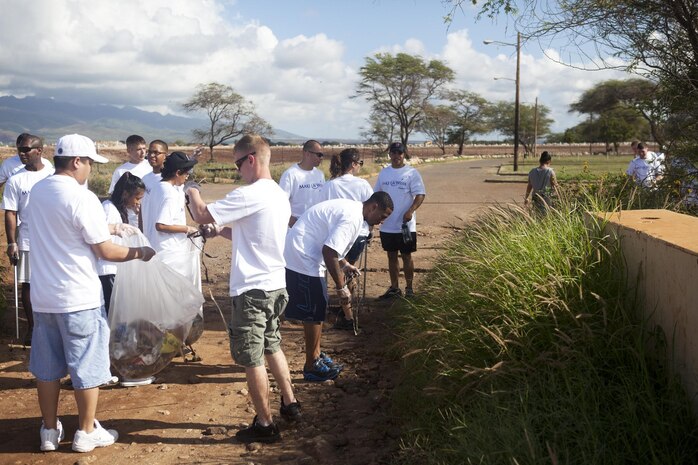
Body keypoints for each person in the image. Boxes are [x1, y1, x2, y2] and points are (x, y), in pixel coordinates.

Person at [26, 133, 154, 453]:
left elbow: (63, 230)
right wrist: (139, 253)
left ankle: (49, 430)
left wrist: (111, 227)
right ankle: (85, 431)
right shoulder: (81, 197)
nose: (91, 172)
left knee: (48, 367)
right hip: (78, 295)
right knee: (86, 364)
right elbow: (105, 252)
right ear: (76, 162)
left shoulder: (38, 190)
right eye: (89, 164)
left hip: (43, 296)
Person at [185, 134, 301, 444]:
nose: (237, 171)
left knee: (252, 358)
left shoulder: (251, 193)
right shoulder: (277, 194)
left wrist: (191, 188)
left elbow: (201, 213)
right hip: (276, 285)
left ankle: (265, 424)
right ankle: (290, 403)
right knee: (271, 344)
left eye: (238, 164)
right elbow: (247, 235)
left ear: (251, 159)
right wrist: (219, 228)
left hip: (253, 290)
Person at [284, 192, 393, 382]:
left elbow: (331, 244)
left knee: (317, 308)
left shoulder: (354, 212)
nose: (381, 222)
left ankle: (316, 356)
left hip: (306, 254)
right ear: (373, 207)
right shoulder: (352, 218)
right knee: (314, 311)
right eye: (382, 217)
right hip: (301, 257)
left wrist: (344, 264)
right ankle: (311, 366)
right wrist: (341, 287)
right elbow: (329, 251)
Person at [1, 134, 54, 346]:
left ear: (39, 150)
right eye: (19, 150)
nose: (21, 153)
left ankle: (52, 326)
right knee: (29, 285)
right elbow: (10, 213)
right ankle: (33, 327)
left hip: (52, 240)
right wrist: (12, 242)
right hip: (28, 240)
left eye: (26, 149)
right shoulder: (16, 180)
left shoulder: (52, 175)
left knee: (52, 283)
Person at [320, 148, 374, 329]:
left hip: (336, 235)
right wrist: (370, 230)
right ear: (353, 164)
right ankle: (348, 313)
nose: (360, 167)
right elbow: (371, 210)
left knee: (340, 271)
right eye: (360, 163)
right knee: (347, 271)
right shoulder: (363, 185)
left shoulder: (330, 185)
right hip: (358, 233)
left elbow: (322, 210)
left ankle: (347, 313)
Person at [374, 142, 426, 299]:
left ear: (404, 154)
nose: (396, 156)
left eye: (400, 152)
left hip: (405, 226)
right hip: (387, 225)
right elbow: (377, 195)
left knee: (406, 256)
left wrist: (410, 211)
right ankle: (395, 288)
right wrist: (376, 216)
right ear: (389, 154)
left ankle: (409, 289)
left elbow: (420, 194)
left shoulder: (412, 173)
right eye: (393, 152)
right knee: (391, 256)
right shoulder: (384, 173)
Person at [97, 172, 145, 315]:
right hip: (108, 269)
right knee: (113, 312)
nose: (138, 202)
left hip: (115, 268)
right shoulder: (109, 209)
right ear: (125, 194)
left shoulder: (120, 209)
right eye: (137, 198)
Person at [142, 151, 198, 254]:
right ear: (177, 173)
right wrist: (188, 229)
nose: (187, 177)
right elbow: (161, 225)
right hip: (170, 250)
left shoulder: (157, 187)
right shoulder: (170, 194)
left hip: (156, 245)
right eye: (186, 173)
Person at [279, 139, 325, 227]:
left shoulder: (320, 174)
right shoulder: (290, 174)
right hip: (297, 226)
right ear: (307, 153)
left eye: (322, 155)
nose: (321, 158)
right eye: (319, 155)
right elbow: (281, 202)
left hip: (316, 225)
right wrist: (293, 222)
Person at [108, 135, 151, 226]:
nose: (143, 152)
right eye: (138, 149)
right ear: (129, 151)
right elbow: (115, 195)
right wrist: (131, 206)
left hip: (151, 215)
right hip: (131, 219)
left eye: (144, 148)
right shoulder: (120, 171)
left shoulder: (152, 167)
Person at [140, 139, 169, 232]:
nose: (151, 156)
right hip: (147, 234)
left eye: (156, 153)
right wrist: (141, 229)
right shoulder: (145, 179)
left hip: (162, 237)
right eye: (149, 152)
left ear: (165, 156)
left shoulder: (169, 180)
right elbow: (142, 206)